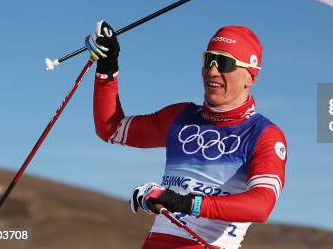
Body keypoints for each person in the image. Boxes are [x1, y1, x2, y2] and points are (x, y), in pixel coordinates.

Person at [86, 21, 287, 249]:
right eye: (208, 59)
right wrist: (107, 65)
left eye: (224, 63)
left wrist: (182, 202)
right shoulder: (180, 116)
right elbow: (111, 129)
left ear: (251, 76)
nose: (212, 70)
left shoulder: (264, 135)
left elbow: (261, 205)